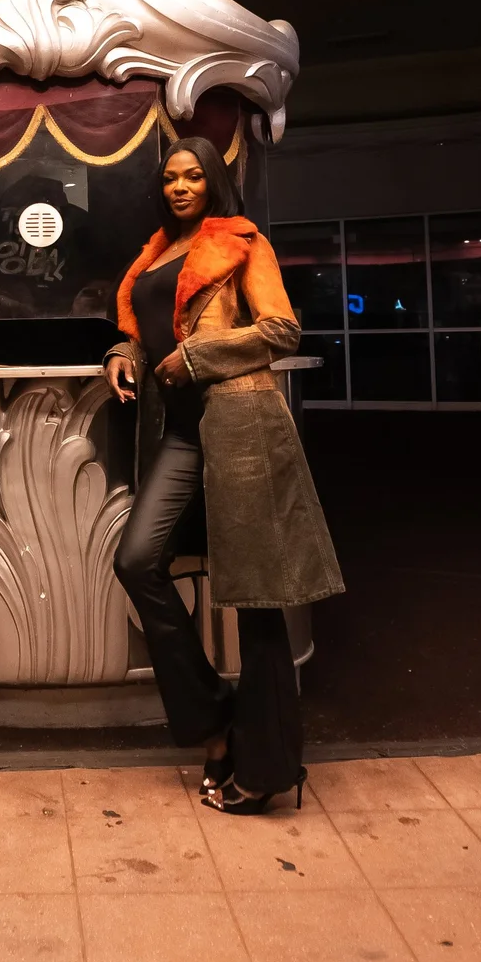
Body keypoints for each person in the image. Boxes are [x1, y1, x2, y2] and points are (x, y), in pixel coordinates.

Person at [105, 136, 343, 813]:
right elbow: (151, 329)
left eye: (193, 177)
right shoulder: (156, 253)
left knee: (259, 599)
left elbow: (282, 330)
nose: (180, 187)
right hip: (182, 433)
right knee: (137, 560)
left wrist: (197, 357)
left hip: (240, 425)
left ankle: (266, 768)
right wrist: (122, 351)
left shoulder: (241, 242)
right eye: (170, 178)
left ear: (213, 182)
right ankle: (213, 723)